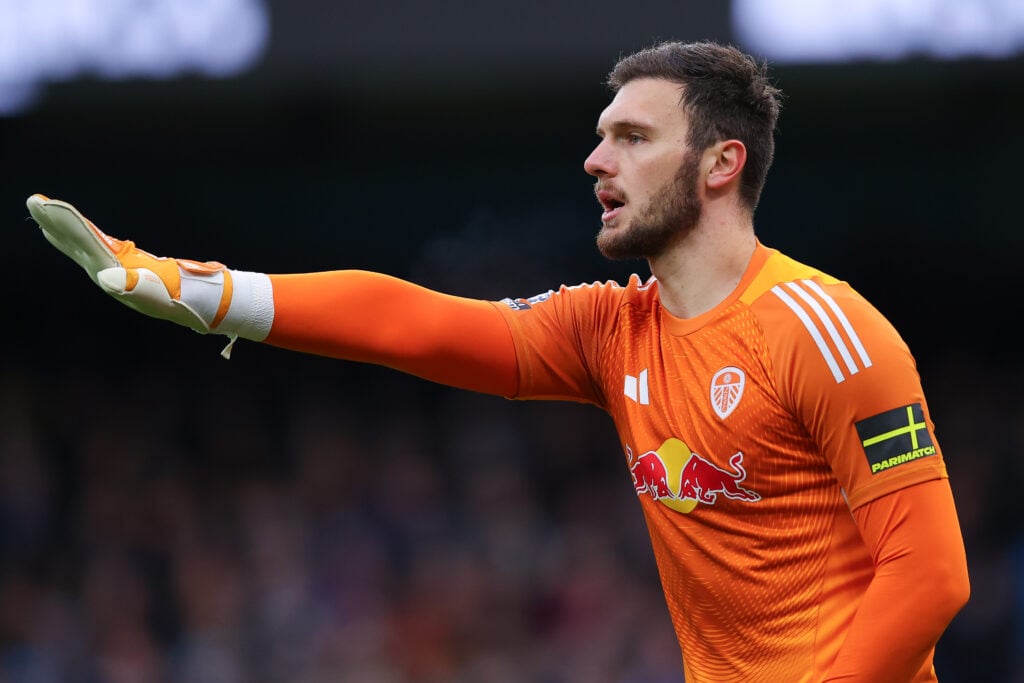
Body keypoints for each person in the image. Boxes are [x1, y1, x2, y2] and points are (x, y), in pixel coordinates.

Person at [27, 40, 970, 683]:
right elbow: (408, 319)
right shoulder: (611, 331)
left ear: (721, 164)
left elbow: (930, 576)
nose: (596, 160)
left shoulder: (823, 328)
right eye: (601, 136)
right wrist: (205, 293)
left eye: (632, 137)